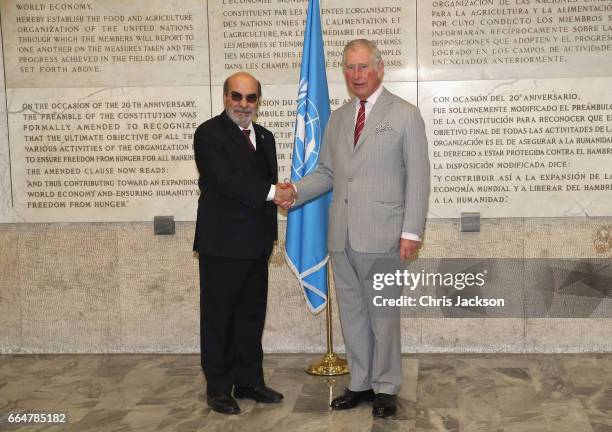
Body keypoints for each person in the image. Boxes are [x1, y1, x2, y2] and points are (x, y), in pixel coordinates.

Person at [281, 39, 430, 418]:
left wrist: (411, 232)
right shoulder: (340, 117)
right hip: (341, 236)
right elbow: (328, 173)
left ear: (380, 68)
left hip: (383, 235)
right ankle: (360, 383)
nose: (357, 75)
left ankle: (386, 387)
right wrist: (295, 191)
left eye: (363, 67)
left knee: (383, 316)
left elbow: (418, 178)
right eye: (350, 67)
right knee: (353, 314)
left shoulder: (405, 114)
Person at [193, 72, 294, 414]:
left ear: (258, 102)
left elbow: (264, 185)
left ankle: (249, 381)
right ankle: (218, 387)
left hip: (255, 243)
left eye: (250, 98)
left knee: (251, 315)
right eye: (237, 96)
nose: (243, 105)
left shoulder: (265, 136)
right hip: (222, 245)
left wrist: (279, 198)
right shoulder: (209, 133)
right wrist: (273, 193)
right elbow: (225, 180)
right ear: (225, 98)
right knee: (219, 317)